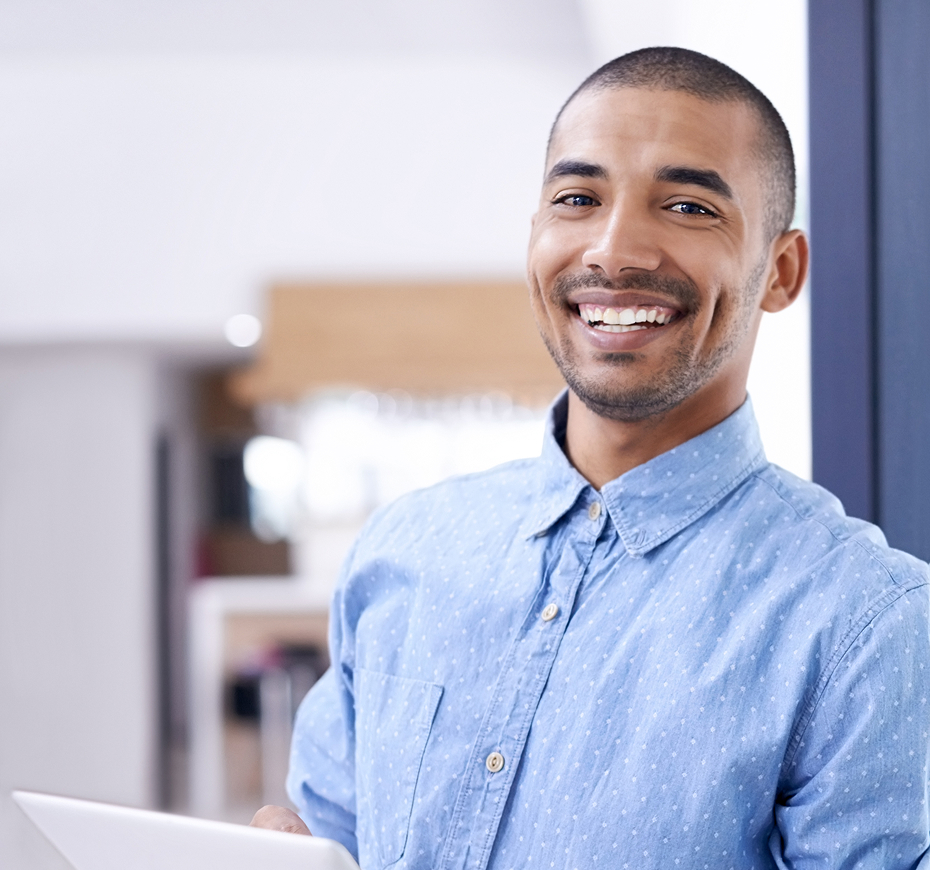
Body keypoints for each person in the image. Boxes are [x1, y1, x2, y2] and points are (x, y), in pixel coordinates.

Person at [252, 47, 930, 869]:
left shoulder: (863, 619)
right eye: (577, 199)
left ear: (780, 272)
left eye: (688, 206)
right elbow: (334, 839)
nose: (614, 250)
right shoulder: (403, 551)